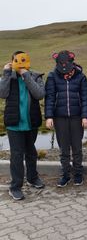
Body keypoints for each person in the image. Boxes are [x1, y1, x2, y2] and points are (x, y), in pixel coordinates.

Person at [0, 51, 45, 200]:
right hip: (14, 125)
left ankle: (33, 178)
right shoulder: (9, 77)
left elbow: (39, 94)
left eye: (23, 60)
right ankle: (15, 187)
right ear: (12, 61)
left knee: (31, 153)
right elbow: (2, 93)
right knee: (17, 156)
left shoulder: (35, 76)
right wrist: (6, 73)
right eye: (17, 60)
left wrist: (26, 75)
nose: (20, 62)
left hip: (31, 123)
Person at [45, 50, 87, 187]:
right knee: (64, 148)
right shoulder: (52, 76)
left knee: (77, 148)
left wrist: (85, 116)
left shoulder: (81, 77)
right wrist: (49, 116)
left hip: (77, 117)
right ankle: (65, 174)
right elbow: (50, 97)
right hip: (60, 118)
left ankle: (78, 173)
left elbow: (86, 98)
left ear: (71, 62)